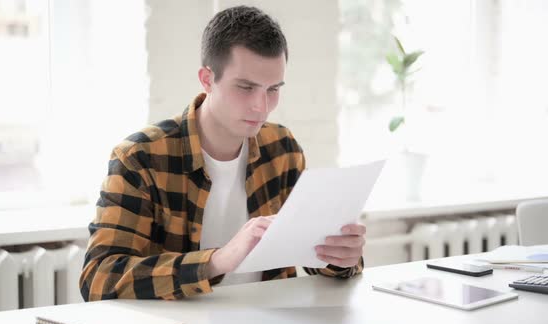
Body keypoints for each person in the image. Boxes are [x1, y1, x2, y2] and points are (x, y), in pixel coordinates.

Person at [79, 5, 365, 301]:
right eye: (245, 87)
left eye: (273, 89)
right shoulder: (139, 158)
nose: (261, 106)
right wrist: (217, 260)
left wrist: (340, 257)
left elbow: (313, 256)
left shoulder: (282, 148)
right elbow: (99, 279)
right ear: (207, 79)